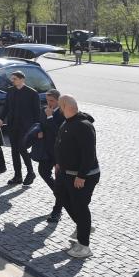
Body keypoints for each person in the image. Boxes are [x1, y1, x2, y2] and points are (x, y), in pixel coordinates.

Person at [54, 94, 99, 259]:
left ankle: (84, 246)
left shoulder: (83, 126)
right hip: (65, 173)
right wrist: (58, 163)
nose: (58, 109)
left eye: (59, 106)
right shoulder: (67, 122)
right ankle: (84, 226)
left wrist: (81, 176)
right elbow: (61, 144)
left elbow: (88, 154)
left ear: (65, 107)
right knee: (60, 195)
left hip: (81, 176)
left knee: (80, 207)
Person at [0, 70, 40, 186]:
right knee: (14, 151)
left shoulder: (32, 93)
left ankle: (30, 172)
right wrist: (1, 118)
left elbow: (37, 113)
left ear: (22, 79)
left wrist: (38, 129)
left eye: (15, 79)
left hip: (25, 127)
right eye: (12, 79)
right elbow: (6, 107)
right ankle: (18, 176)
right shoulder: (10, 91)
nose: (12, 81)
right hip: (12, 125)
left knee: (22, 148)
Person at [38, 89, 65, 222]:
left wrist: (50, 117)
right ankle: (61, 195)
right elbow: (40, 124)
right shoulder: (45, 110)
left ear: (58, 101)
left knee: (59, 181)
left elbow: (58, 133)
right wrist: (39, 131)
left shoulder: (63, 113)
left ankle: (57, 210)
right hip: (46, 150)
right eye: (47, 100)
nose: (49, 103)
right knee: (42, 171)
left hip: (59, 153)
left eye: (52, 101)